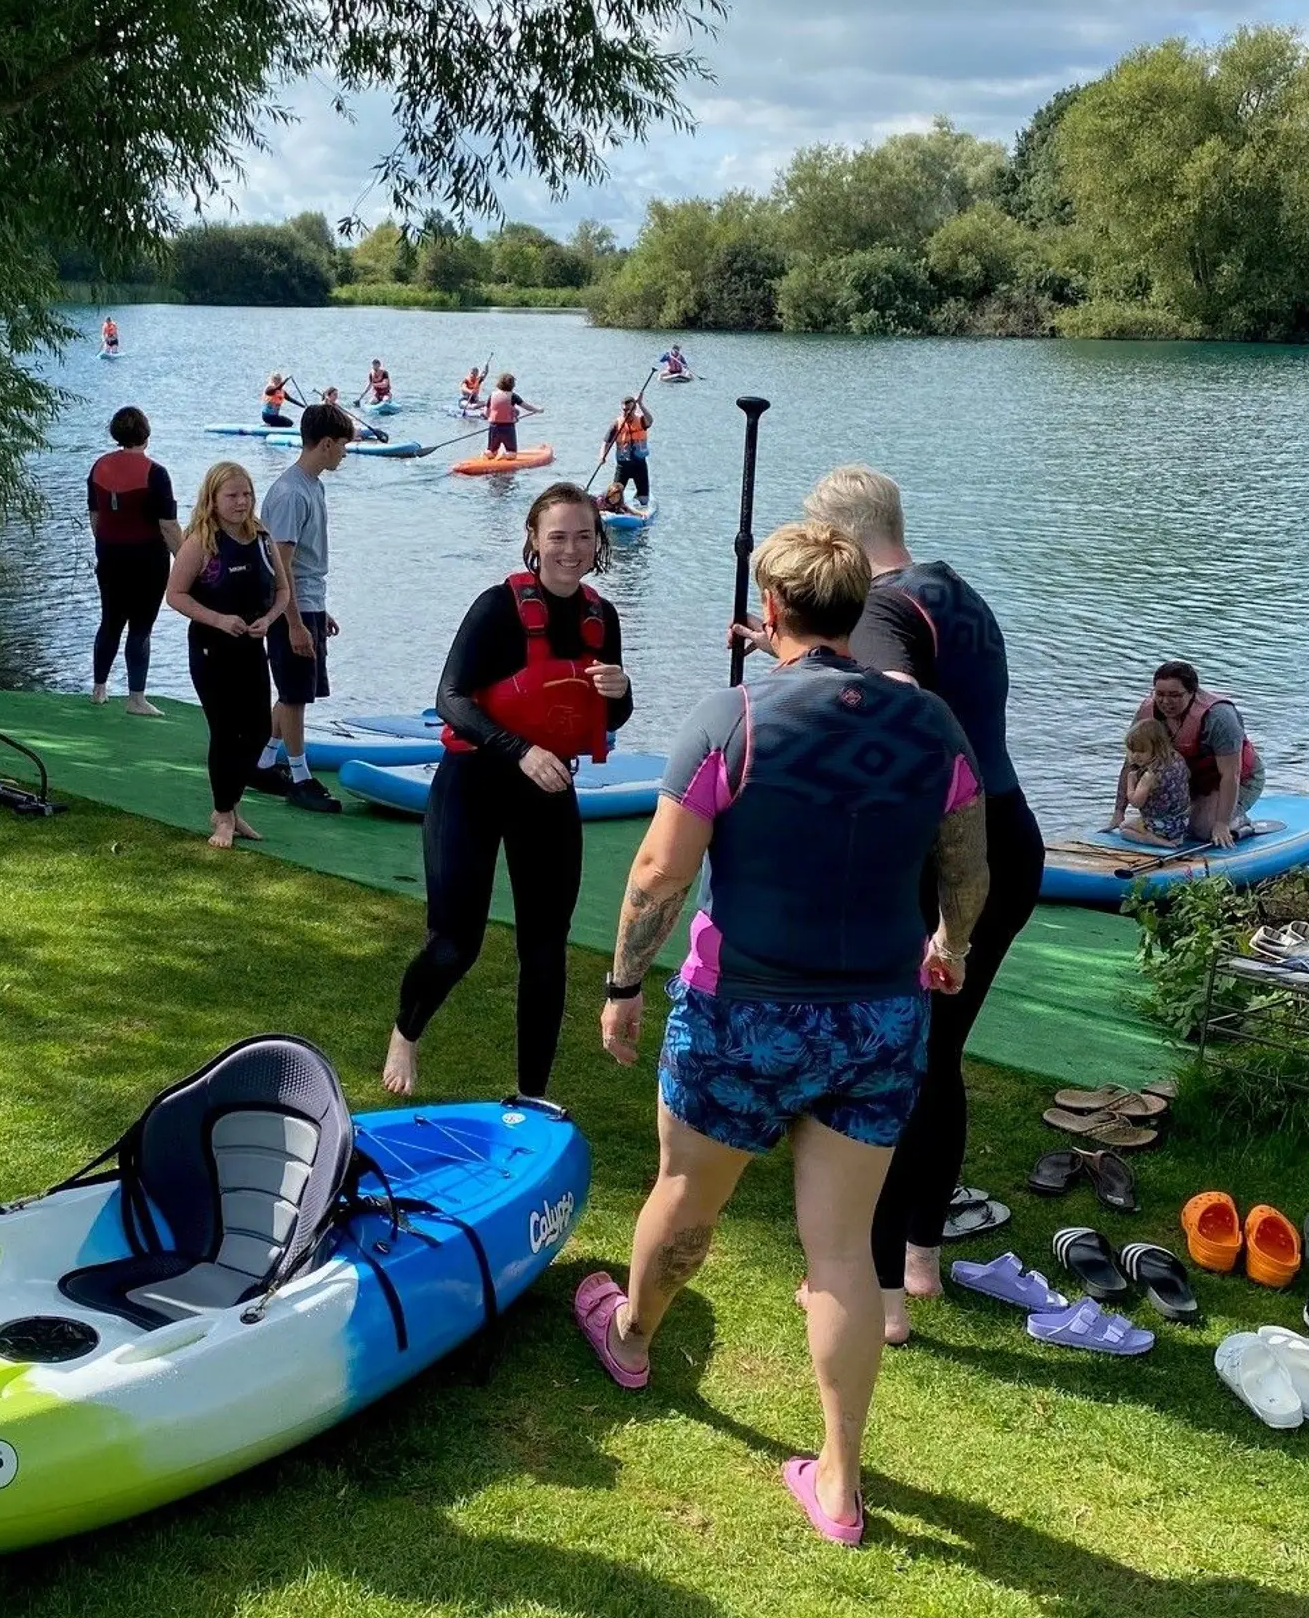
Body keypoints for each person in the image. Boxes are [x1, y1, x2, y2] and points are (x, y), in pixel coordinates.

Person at [580, 521, 988, 1548]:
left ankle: (631, 1338)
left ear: (769, 610)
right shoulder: (930, 723)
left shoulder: (730, 717)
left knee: (685, 1195)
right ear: (855, 609)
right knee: (841, 1246)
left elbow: (658, 876)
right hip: (876, 1016)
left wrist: (624, 979)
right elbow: (966, 865)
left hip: (743, 1013)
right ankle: (841, 1485)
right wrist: (951, 941)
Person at [801, 464, 1046, 1345]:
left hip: (950, 852)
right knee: (939, 1054)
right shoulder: (953, 589)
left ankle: (882, 1298)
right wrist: (795, 656)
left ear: (839, 538)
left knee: (892, 1064)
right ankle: (919, 1261)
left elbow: (897, 701)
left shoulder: (874, 604)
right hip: (1013, 839)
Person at [383, 483, 631, 1099]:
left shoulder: (604, 618)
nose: (571, 550)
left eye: (583, 536)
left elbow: (609, 720)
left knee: (545, 952)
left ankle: (531, 1095)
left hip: (547, 792)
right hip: (474, 783)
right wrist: (521, 751)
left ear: (598, 540)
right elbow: (450, 698)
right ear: (534, 541)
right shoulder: (496, 608)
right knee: (455, 944)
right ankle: (405, 1031)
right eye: (558, 537)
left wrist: (620, 694)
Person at [166, 460, 290, 849]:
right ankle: (223, 814)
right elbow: (175, 595)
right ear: (213, 499)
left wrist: (269, 619)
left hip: (252, 646)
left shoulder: (263, 538)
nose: (241, 502)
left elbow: (283, 592)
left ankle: (231, 808)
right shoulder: (202, 542)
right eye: (232, 496)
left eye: (246, 494)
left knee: (255, 731)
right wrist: (218, 620)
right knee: (225, 732)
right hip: (211, 648)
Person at [258, 401, 354, 814]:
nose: (346, 454)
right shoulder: (291, 492)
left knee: (296, 691)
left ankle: (261, 763)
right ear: (326, 444)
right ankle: (300, 777)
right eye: (343, 447)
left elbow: (305, 563)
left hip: (309, 600)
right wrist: (295, 622)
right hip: (290, 608)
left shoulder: (313, 485)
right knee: (295, 694)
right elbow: (281, 564)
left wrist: (318, 611)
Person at [88, 405, 181, 713]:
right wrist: (184, 560)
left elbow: (95, 517)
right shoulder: (155, 472)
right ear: (146, 434)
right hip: (147, 560)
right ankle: (136, 698)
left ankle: (99, 689)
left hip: (110, 556)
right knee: (141, 628)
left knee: (110, 622)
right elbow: (167, 526)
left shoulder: (99, 467)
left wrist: (106, 545)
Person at [1127, 660, 1263, 846]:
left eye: (1174, 695)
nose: (1165, 702)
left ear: (1192, 692)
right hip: (1190, 781)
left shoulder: (1220, 717)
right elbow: (1131, 762)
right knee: (1171, 821)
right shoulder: (1148, 712)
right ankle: (1197, 810)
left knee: (1202, 830)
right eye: (1160, 694)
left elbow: (1231, 774)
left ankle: (1238, 822)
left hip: (1240, 780)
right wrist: (1118, 813)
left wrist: (1221, 824)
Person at [1116, 716, 1193, 844]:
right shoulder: (1177, 758)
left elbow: (1136, 803)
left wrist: (1130, 781)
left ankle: (1152, 839)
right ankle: (1174, 838)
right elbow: (1188, 776)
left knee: (1124, 828)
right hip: (1182, 822)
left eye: (1141, 751)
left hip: (1160, 827)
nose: (1135, 756)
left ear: (1156, 748)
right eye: (1132, 751)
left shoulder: (1149, 775)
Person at [603, 393, 653, 503]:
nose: (626, 412)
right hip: (623, 465)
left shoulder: (641, 420)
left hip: (639, 464)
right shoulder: (617, 423)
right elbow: (606, 442)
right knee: (613, 497)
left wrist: (640, 403)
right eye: (624, 410)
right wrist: (603, 456)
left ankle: (638, 499)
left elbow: (650, 420)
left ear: (634, 409)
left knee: (644, 500)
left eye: (629, 410)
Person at [482, 371, 540, 456]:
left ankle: (488, 453)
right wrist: (537, 410)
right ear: (512, 385)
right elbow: (526, 406)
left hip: (494, 427)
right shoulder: (513, 396)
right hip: (508, 428)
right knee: (512, 452)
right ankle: (506, 454)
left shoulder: (492, 395)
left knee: (492, 451)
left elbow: (486, 413)